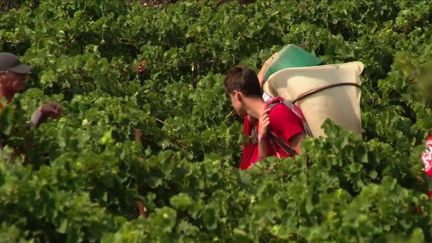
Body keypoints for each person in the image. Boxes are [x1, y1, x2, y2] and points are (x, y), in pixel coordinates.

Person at [224, 65, 305, 170]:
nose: (232, 105)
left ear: (236, 95)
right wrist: (261, 139)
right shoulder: (252, 123)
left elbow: (306, 154)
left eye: (230, 98)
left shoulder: (278, 113)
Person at [0, 52, 61, 161]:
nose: (24, 76)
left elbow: (20, 135)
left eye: (24, 73)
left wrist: (41, 112)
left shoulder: (11, 105)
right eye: (17, 73)